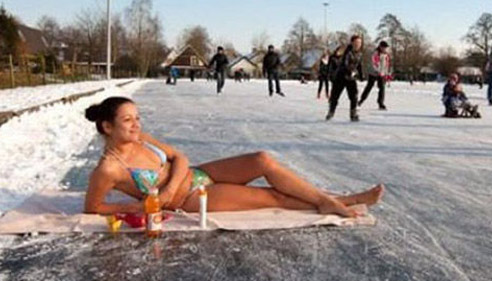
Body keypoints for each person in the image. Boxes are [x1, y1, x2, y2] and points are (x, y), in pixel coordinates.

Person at [83, 97, 385, 218]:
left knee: (263, 159)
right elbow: (93, 207)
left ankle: (331, 200)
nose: (136, 125)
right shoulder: (109, 169)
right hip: (193, 197)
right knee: (270, 197)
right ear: (107, 127)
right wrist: (138, 206)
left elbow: (181, 157)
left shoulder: (143, 139)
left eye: (137, 117)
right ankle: (336, 202)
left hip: (199, 174)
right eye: (127, 121)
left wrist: (170, 185)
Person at [326, 36, 364, 122]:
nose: (358, 45)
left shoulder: (360, 54)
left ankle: (353, 114)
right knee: (335, 96)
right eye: (356, 43)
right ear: (352, 43)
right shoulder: (347, 52)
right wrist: (351, 70)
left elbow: (359, 65)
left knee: (354, 95)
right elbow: (345, 64)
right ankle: (331, 111)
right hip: (341, 77)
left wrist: (361, 75)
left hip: (351, 78)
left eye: (360, 43)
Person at [359, 41, 391, 111]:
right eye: (383, 47)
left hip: (381, 74)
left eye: (385, 48)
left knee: (382, 88)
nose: (384, 49)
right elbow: (374, 63)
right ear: (380, 47)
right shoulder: (376, 53)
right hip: (373, 73)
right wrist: (377, 71)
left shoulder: (386, 55)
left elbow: (386, 65)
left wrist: (387, 73)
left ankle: (381, 103)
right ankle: (361, 100)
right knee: (369, 87)